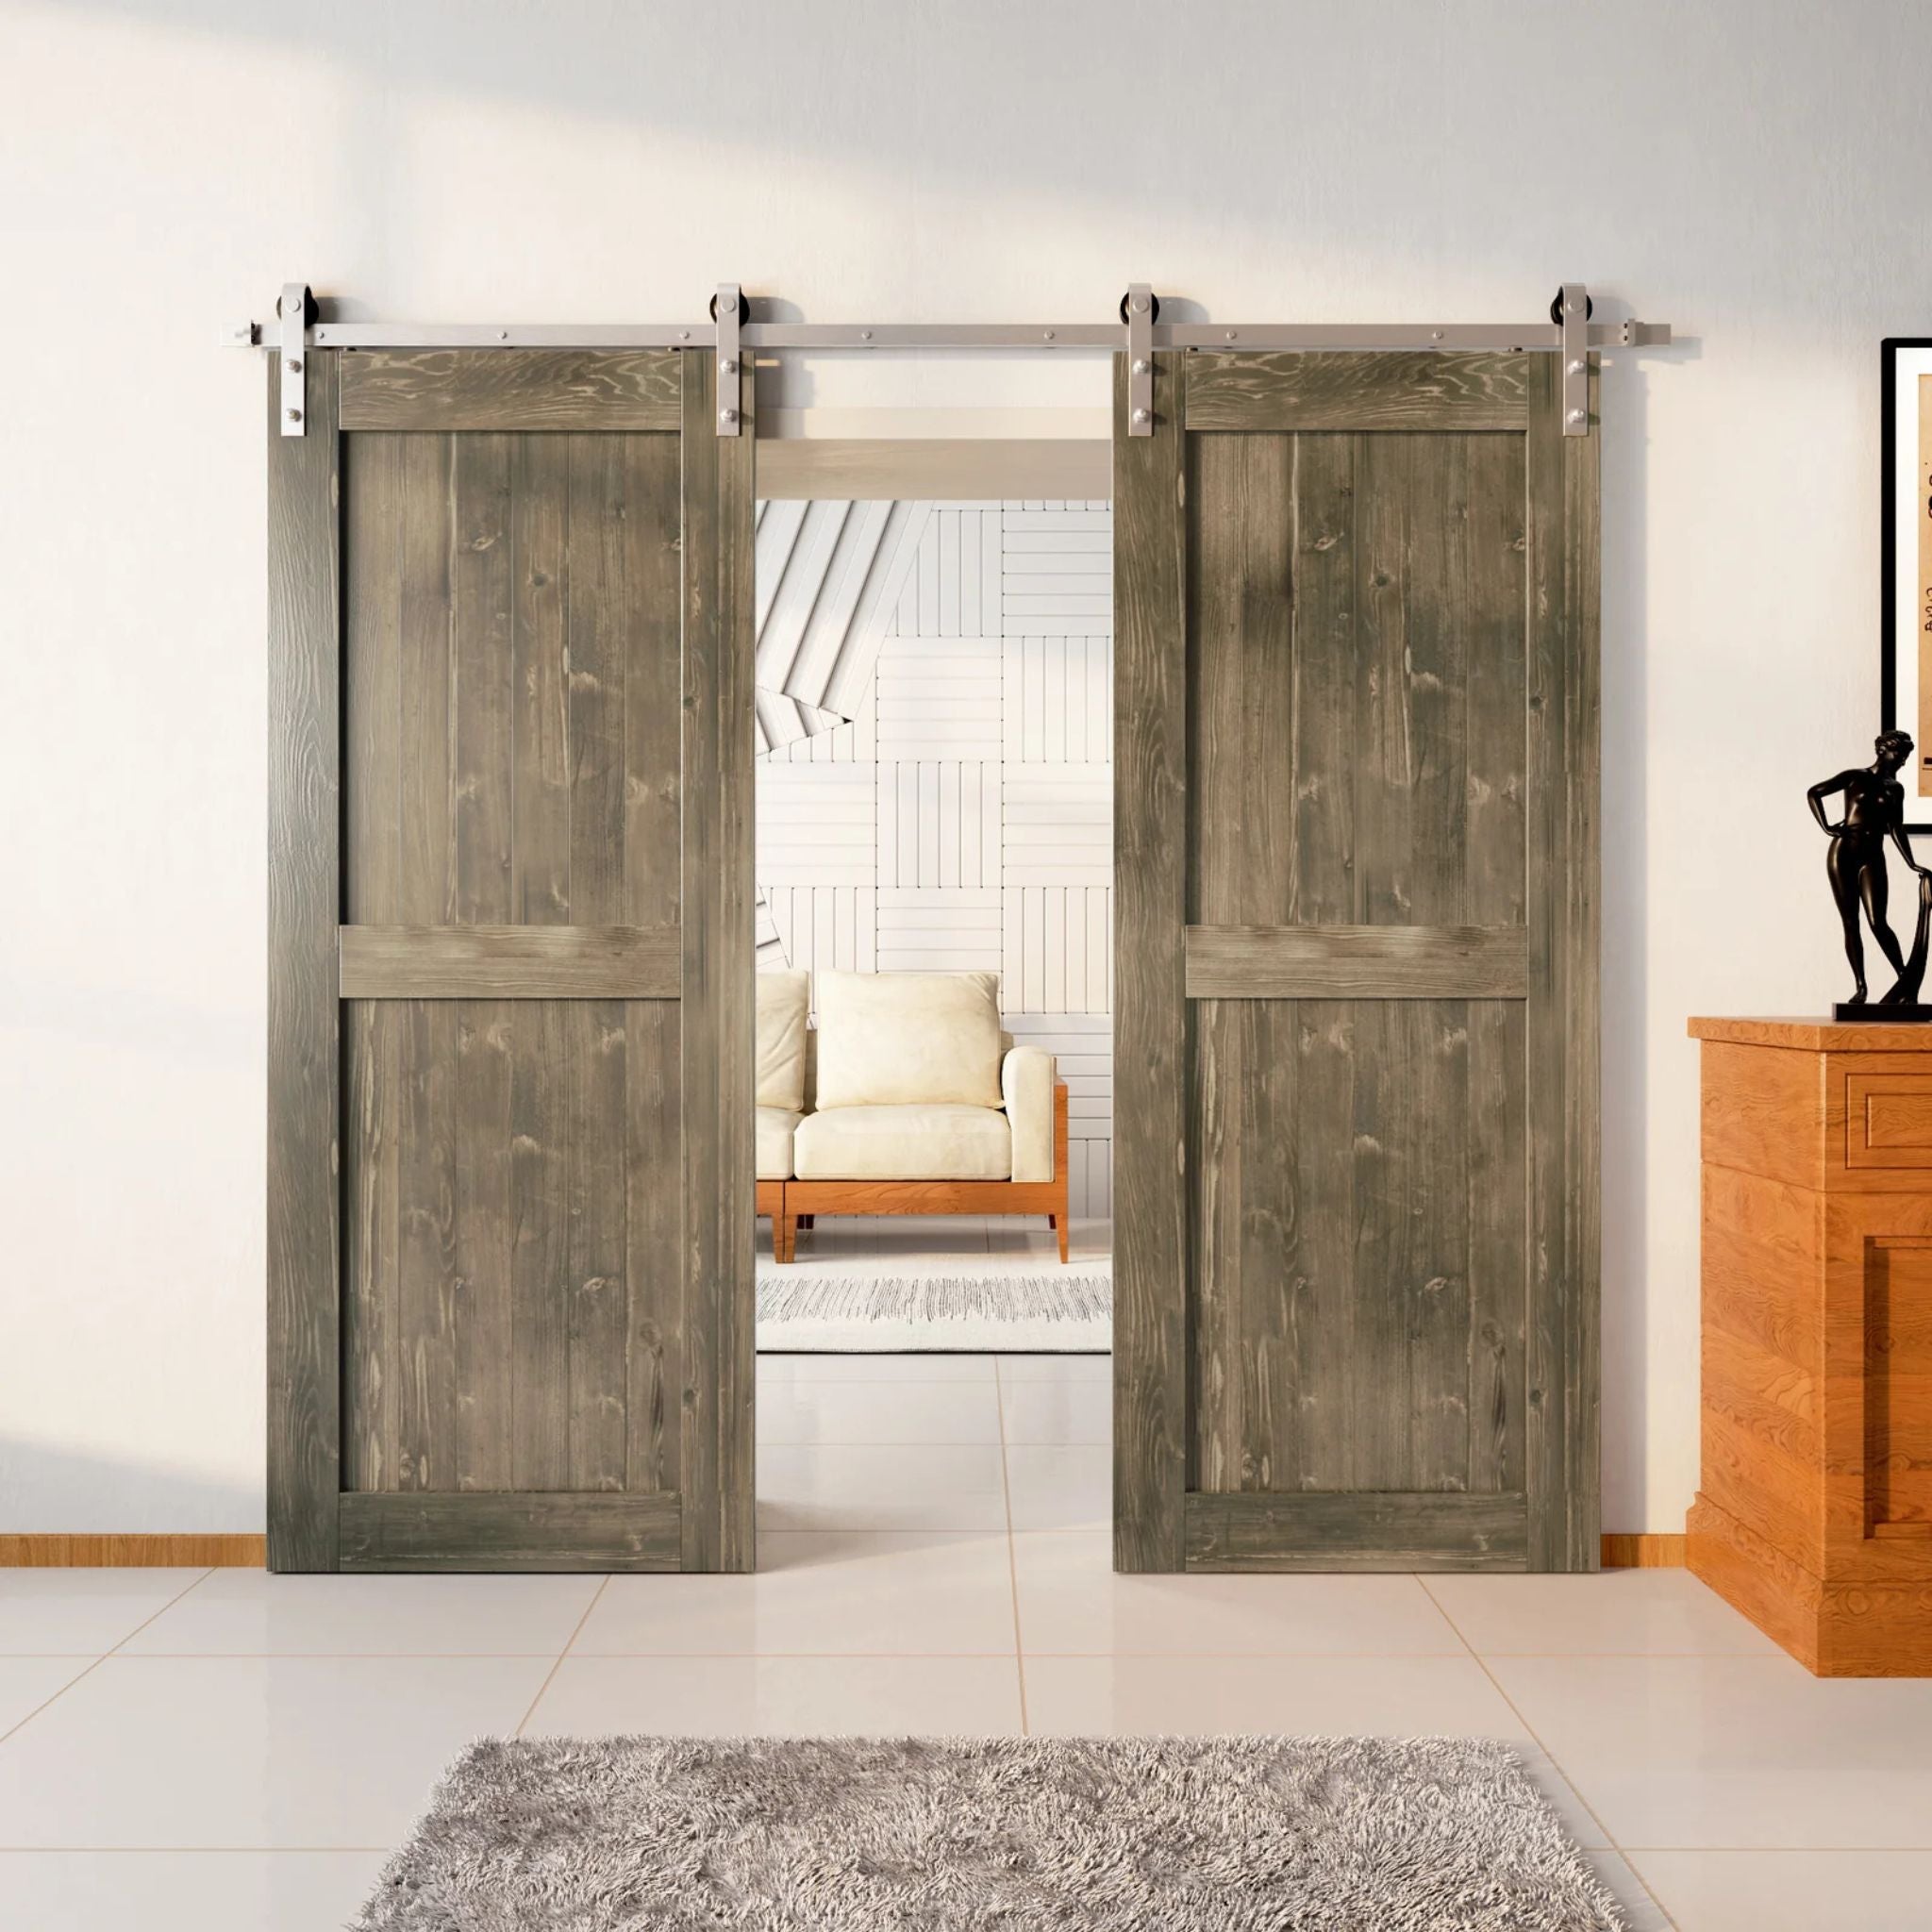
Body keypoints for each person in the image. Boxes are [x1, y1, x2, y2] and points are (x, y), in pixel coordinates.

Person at [1807, 730, 1930, 1005]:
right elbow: (1814, 793)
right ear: (1882, 750)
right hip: (1844, 853)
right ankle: (1861, 987)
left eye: (1906, 755)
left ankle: (1904, 979)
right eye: (1899, 753)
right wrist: (1827, 827)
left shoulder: (1895, 788)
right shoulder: (1855, 777)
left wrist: (1911, 863)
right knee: (1851, 922)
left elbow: (1895, 827)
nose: (1903, 760)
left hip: (1873, 855)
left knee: (1878, 922)